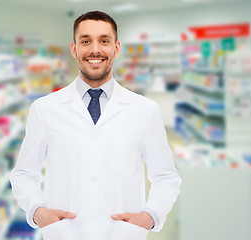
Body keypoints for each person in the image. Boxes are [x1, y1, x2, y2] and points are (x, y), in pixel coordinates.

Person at [10, 10, 181, 240]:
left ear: (116, 48)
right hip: (65, 234)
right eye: (86, 41)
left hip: (122, 235)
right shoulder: (45, 109)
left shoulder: (145, 110)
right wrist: (37, 212)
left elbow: (166, 177)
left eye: (104, 41)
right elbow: (23, 174)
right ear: (74, 49)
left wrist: (151, 215)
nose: (95, 50)